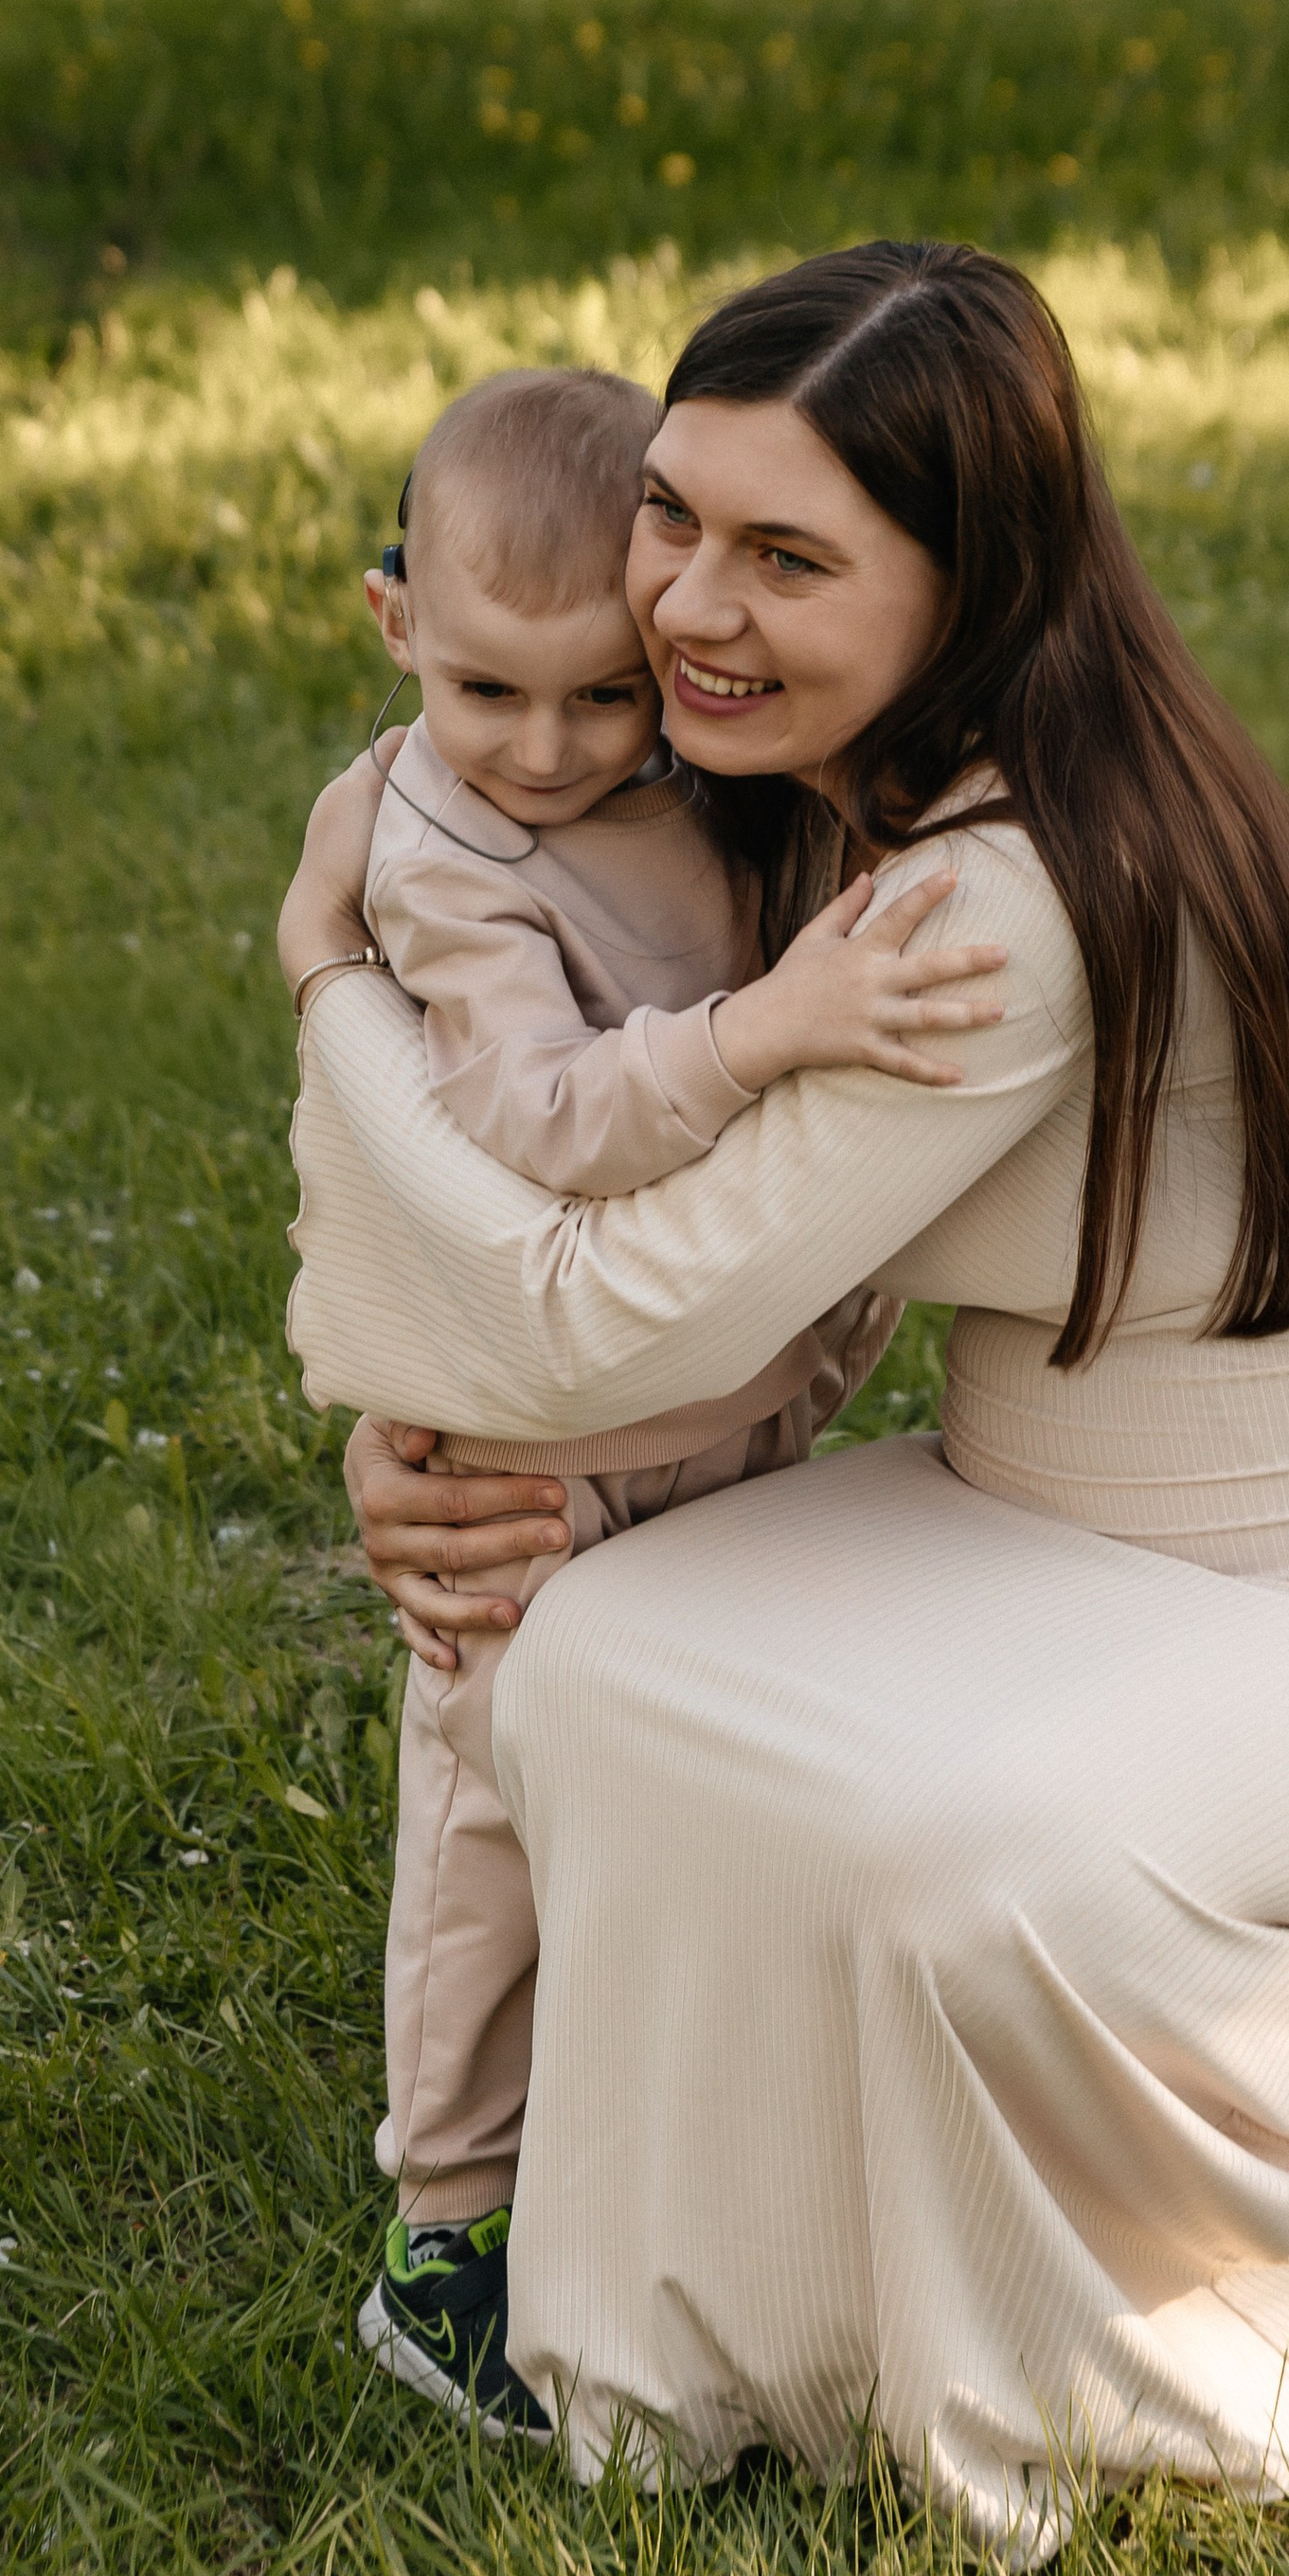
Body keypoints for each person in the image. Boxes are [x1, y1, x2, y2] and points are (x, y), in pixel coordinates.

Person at [281, 241, 1289, 2562]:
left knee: (970, 1861)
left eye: (787, 556)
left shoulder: (994, 899)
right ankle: (709, 2312)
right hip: (1078, 1507)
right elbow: (638, 1243)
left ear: (969, 584)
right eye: (673, 513)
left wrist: (330, 1015)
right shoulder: (790, 796)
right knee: (604, 1661)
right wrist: (447, 1435)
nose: (682, 604)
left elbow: (601, 1321)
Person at [300, 361, 998, 2431]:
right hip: (535, 1448)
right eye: (487, 695)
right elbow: (523, 1117)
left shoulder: (688, 777)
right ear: (394, 626)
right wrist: (769, 1032)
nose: (543, 751)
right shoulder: (439, 858)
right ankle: (444, 2229)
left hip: (719, 1400)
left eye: (599, 696)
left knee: (673, 1786)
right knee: (493, 1816)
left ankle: (674, 2157)